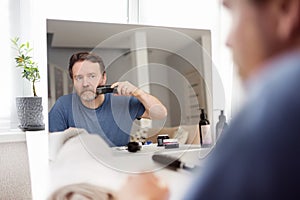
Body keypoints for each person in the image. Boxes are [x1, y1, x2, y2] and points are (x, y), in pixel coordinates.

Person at [117, 0, 300, 199]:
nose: (228, 41)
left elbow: (159, 113)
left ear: (286, 9)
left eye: (234, 13)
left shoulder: (281, 96)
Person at [49, 51, 167, 146]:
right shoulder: (63, 105)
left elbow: (160, 114)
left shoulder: (122, 101)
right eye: (79, 78)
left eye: (92, 76)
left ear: (103, 78)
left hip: (118, 167)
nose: (85, 83)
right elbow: (50, 143)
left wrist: (138, 92)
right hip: (82, 168)